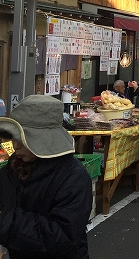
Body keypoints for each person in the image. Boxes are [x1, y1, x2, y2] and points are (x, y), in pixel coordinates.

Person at [0, 95, 92, 258]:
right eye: (14, 136)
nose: (15, 145)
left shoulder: (74, 178)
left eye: (23, 139)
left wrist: (5, 221)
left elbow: (61, 237)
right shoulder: (14, 166)